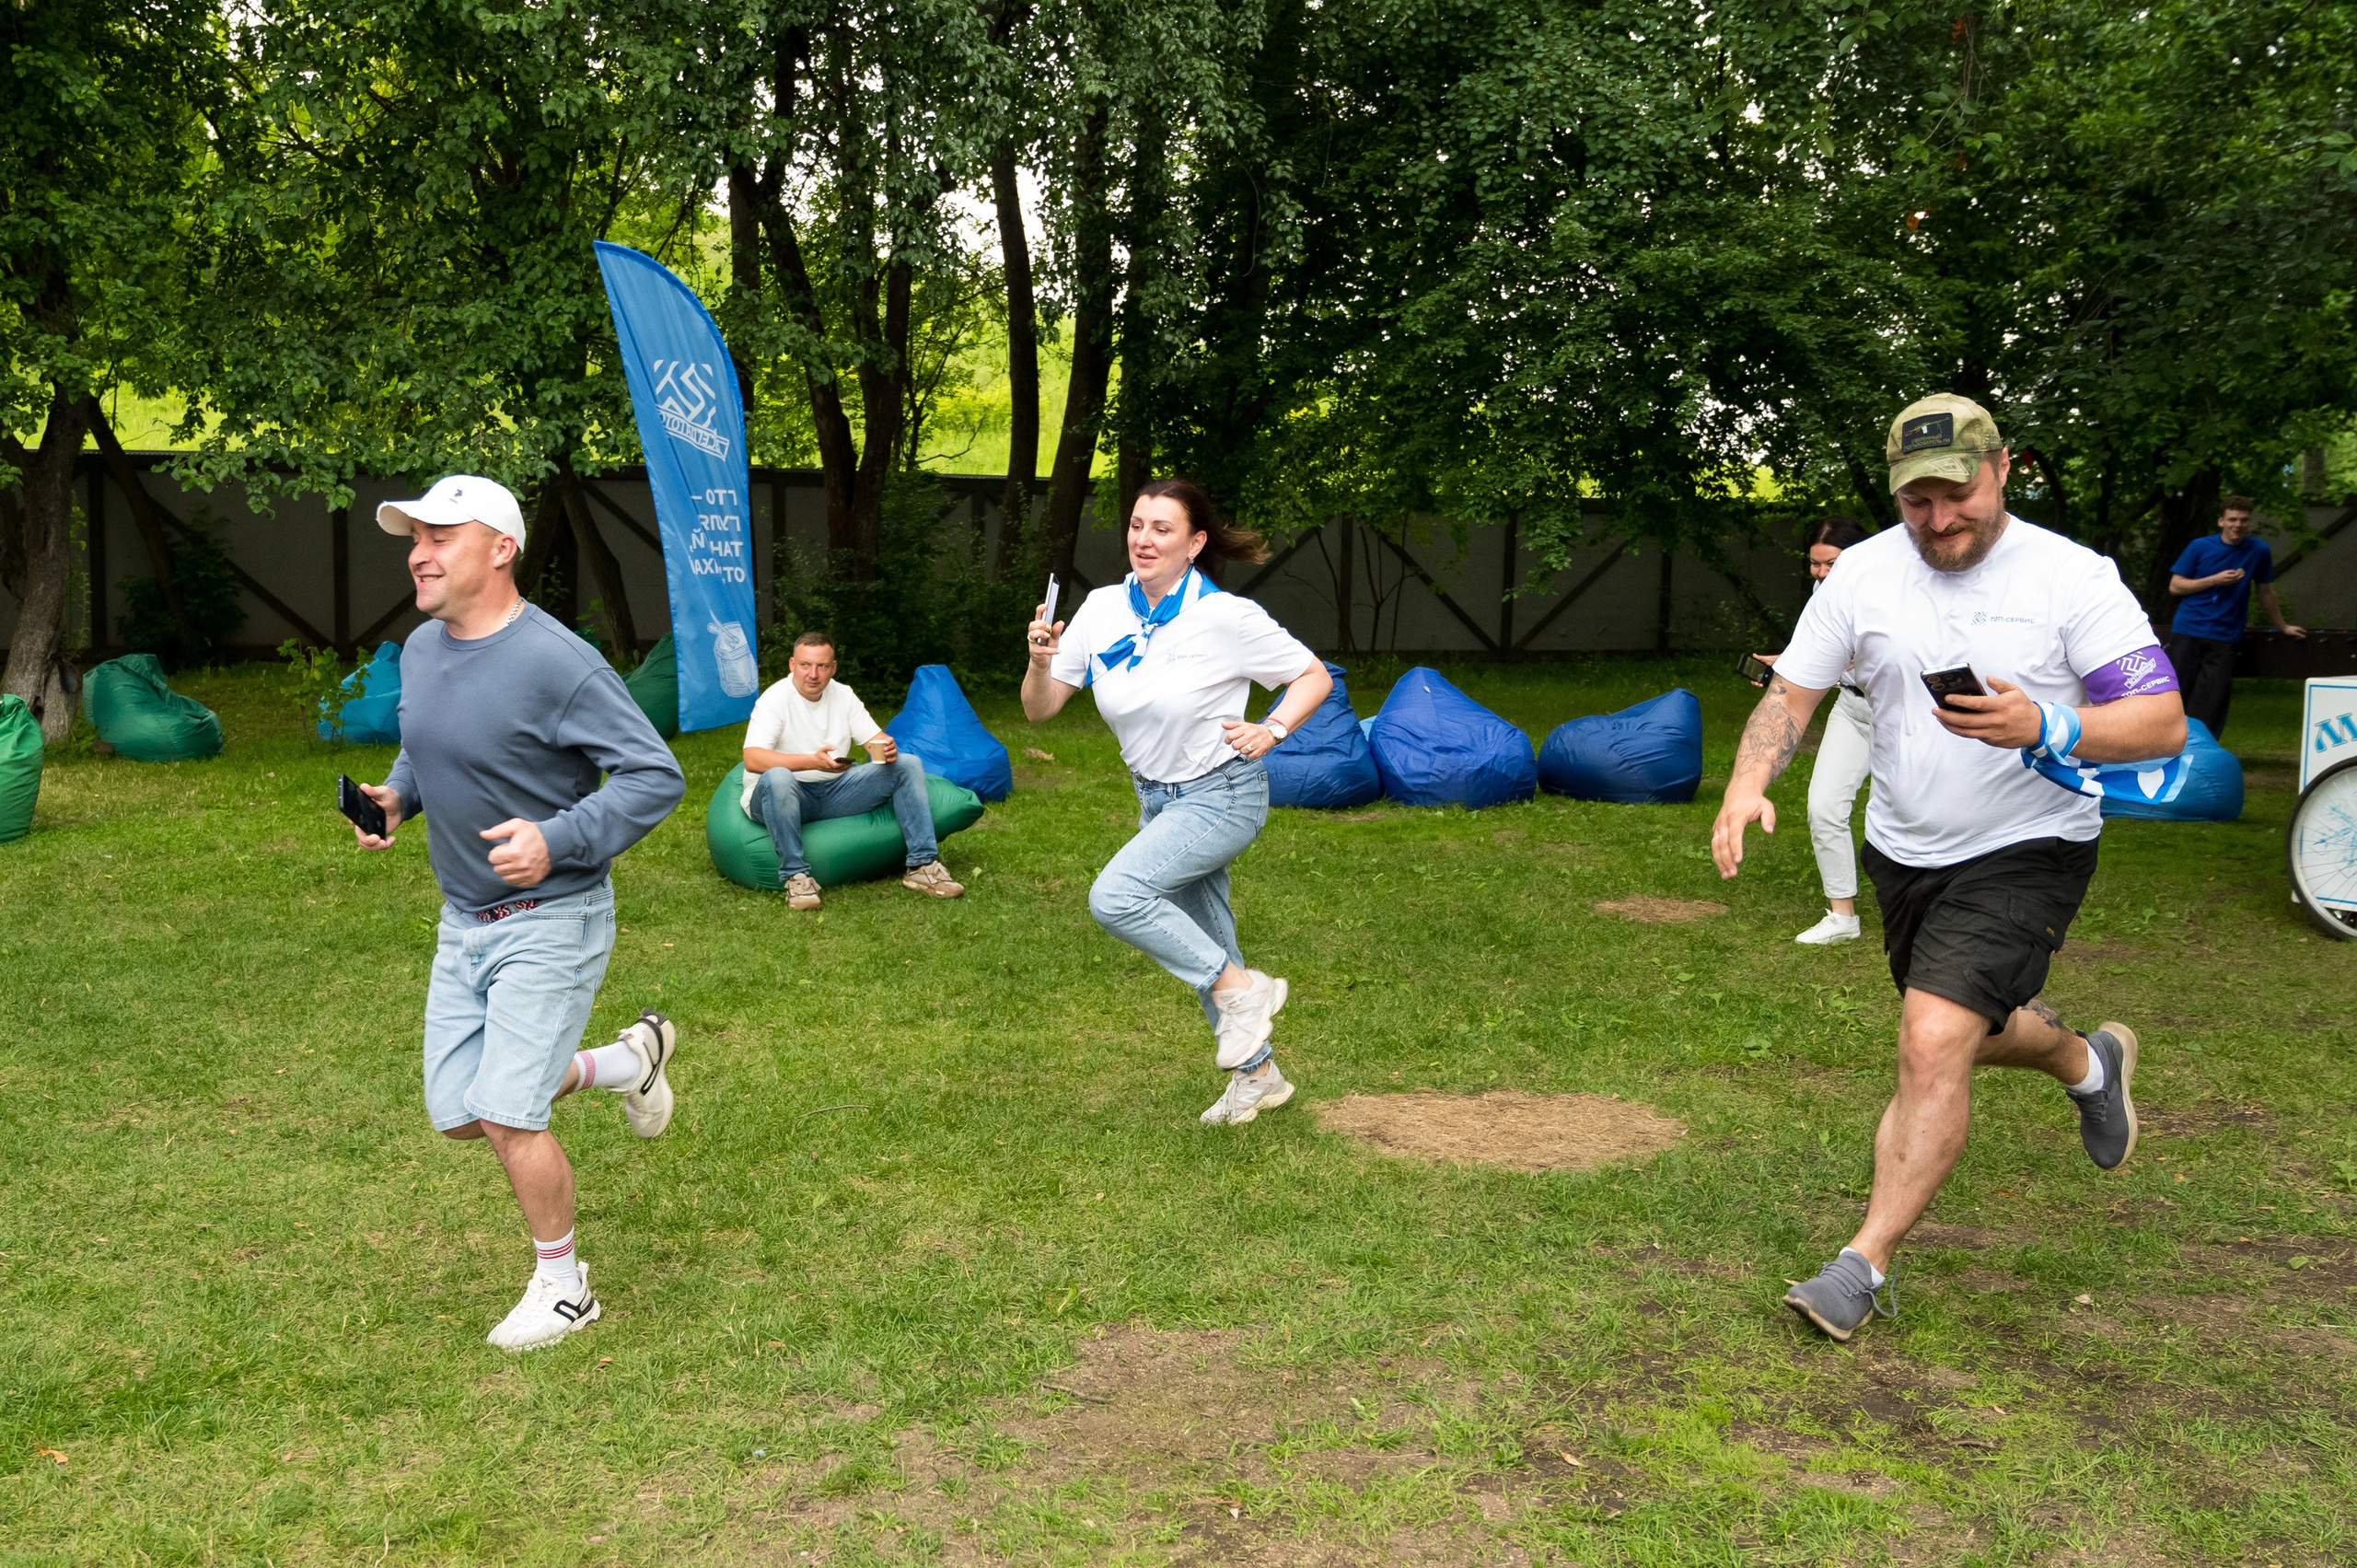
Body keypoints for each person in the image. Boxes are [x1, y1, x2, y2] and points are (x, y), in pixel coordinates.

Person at [1712, 395, 2186, 1342]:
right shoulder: (1859, 575)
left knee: (1930, 1037)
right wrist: (1745, 781)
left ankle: (1861, 1262)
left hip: (2029, 841)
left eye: (1955, 493)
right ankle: (2084, 1059)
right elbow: (1792, 692)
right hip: (1904, 848)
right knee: (1958, 1028)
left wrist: (2050, 724)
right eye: (1915, 501)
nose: (1937, 519)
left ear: (2001, 466)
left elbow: (2161, 720)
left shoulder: (2070, 576)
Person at [351, 474, 688, 1351]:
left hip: (553, 912)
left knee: (507, 1112)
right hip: (463, 920)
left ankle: (565, 1287)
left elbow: (657, 777)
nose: (418, 553)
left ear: (501, 549)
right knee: (461, 1110)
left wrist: (559, 837)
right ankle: (623, 1064)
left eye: (439, 536)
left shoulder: (558, 661)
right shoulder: (422, 650)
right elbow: (432, 743)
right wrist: (396, 799)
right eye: (412, 540)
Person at [1021, 478, 1333, 1125]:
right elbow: (1041, 710)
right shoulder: (1104, 608)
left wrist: (1272, 728)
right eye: (1137, 525)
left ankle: (1243, 992)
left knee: (1116, 896)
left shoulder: (1224, 616)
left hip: (1222, 793)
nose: (1144, 539)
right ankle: (1258, 1075)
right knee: (1204, 940)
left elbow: (1314, 675)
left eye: (1162, 528)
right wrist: (1040, 662)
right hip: (1157, 799)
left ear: (1194, 544)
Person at [740, 632, 965, 910]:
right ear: (791, 665)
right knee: (779, 777)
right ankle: (796, 878)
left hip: (834, 790)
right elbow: (752, 758)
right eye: (805, 665)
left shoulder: (843, 694)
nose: (813, 674)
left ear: (833, 668)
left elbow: (873, 740)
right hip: (781, 795)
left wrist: (885, 747)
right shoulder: (774, 699)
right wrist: (812, 761)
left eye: (822, 666)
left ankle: (922, 867)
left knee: (907, 764)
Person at [1760, 517, 1875, 946]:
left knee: (1906, 814)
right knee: (1824, 806)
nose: (1823, 574)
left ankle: (1936, 909)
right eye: (1815, 564)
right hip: (1851, 711)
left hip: (1898, 717)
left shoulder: (1890, 594)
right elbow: (1818, 659)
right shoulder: (1822, 594)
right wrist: (1784, 665)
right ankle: (1843, 917)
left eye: (1832, 564)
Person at [2165, 494, 2306, 738]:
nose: (2238, 525)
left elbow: (2265, 592)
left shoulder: (2258, 550)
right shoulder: (2200, 547)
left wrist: (2282, 626)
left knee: (2212, 697)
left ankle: (2202, 749)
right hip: (2189, 628)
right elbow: (2176, 587)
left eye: (2243, 520)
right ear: (2221, 521)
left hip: (2226, 633)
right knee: (2176, 692)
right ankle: (2164, 743)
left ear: (2249, 523)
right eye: (2232, 519)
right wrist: (2215, 580)